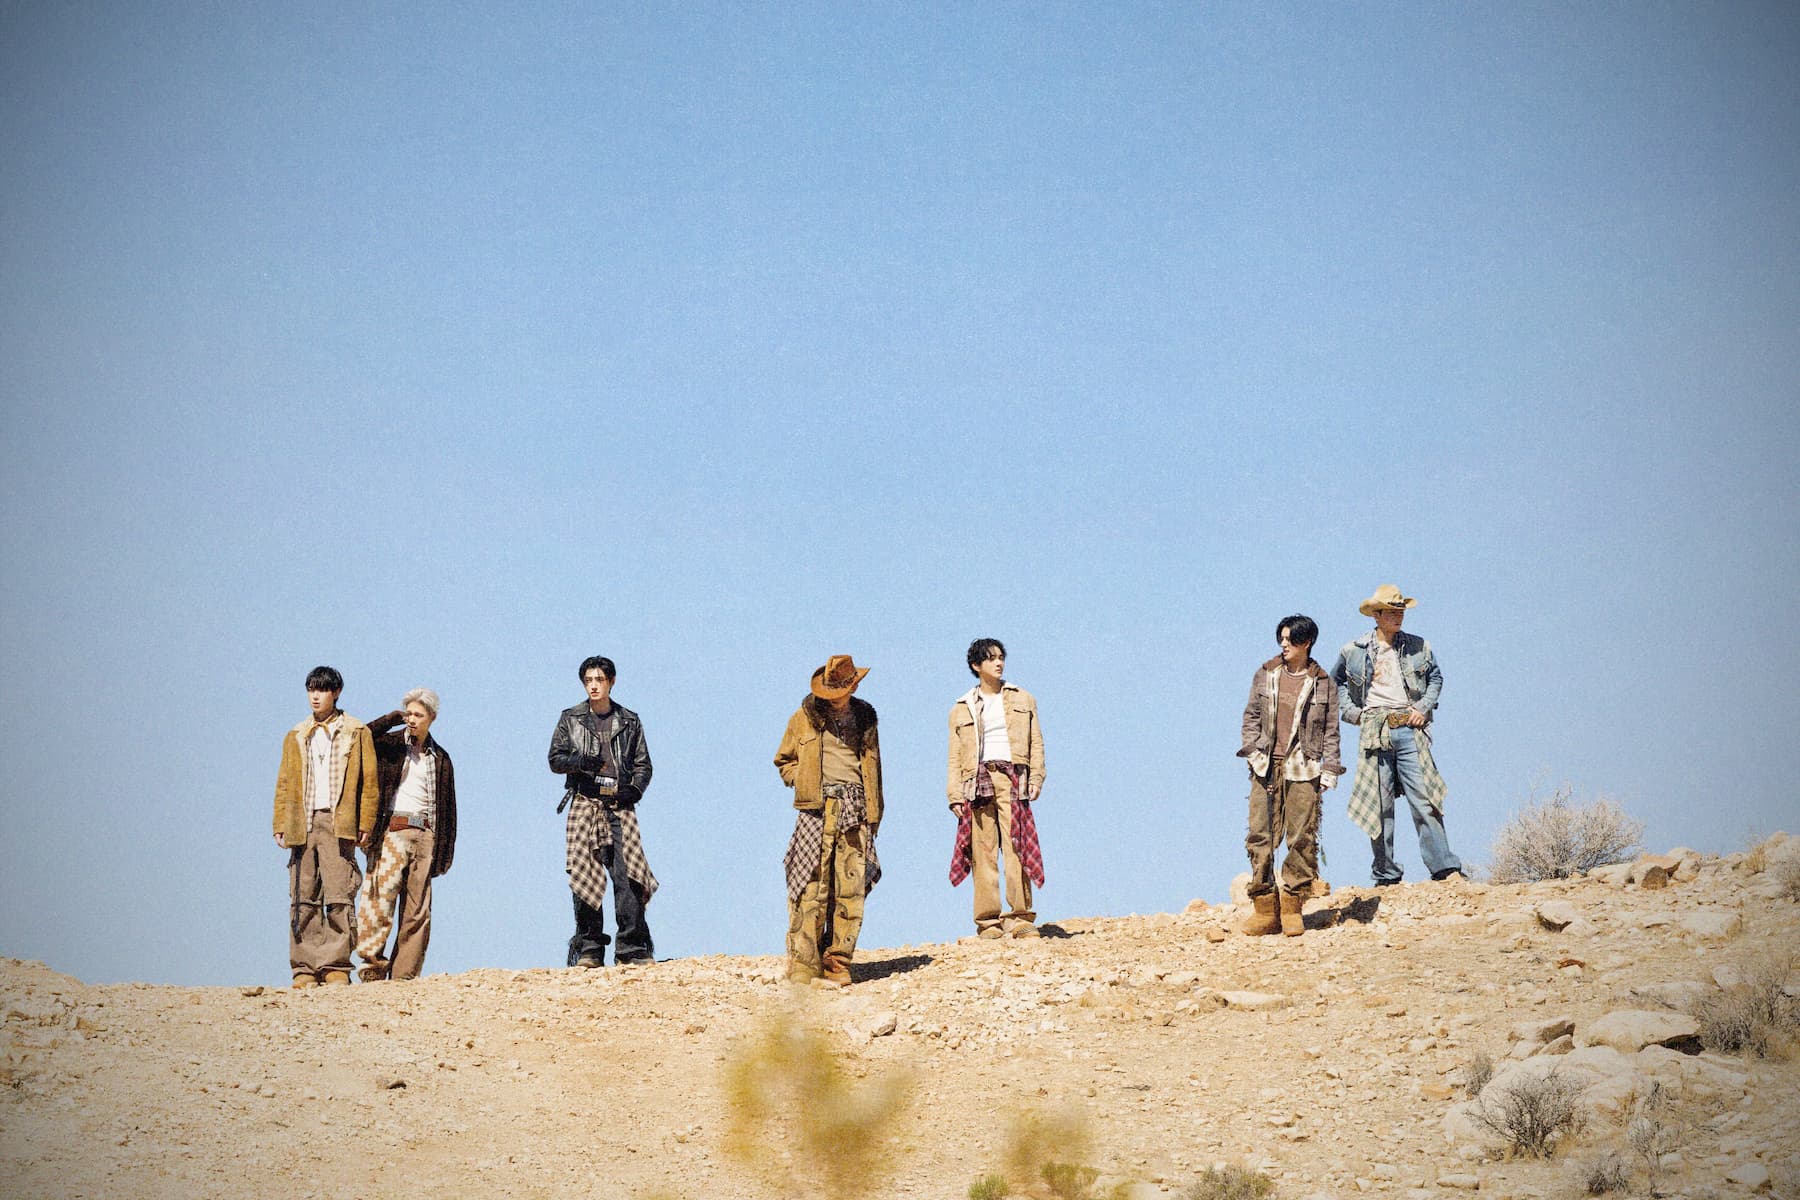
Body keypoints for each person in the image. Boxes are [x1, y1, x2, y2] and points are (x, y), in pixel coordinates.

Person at [1331, 585, 1464, 886]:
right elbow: (1335, 682)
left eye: (1400, 610)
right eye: (1391, 611)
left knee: (1425, 798)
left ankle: (1444, 868)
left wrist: (1423, 706)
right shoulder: (1353, 650)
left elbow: (1436, 677)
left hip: (1409, 726)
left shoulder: (1418, 646)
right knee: (1379, 807)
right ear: (1376, 615)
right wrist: (1354, 713)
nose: (1398, 616)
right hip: (1375, 729)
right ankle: (1386, 874)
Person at [773, 654, 883, 986]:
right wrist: (802, 780)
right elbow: (783, 760)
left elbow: (875, 769)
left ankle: (838, 962)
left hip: (855, 808)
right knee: (809, 886)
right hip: (815, 809)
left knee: (849, 888)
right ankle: (804, 964)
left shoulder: (865, 719)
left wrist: (873, 811)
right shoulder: (802, 718)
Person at [271, 666, 378, 987]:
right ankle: (304, 967)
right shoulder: (296, 735)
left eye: (322, 690)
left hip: (338, 822)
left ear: (336, 693)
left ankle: (335, 966)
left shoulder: (356, 732)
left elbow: (369, 784)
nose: (315, 696)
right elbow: (284, 782)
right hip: (301, 823)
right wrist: (280, 822)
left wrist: (365, 822)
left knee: (339, 894)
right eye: (311, 690)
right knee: (302, 895)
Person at [549, 656, 658, 967]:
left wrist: (634, 789)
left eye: (599, 679)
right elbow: (555, 759)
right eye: (588, 680)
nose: (593, 685)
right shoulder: (570, 718)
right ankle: (589, 949)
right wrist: (579, 761)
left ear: (611, 681)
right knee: (584, 874)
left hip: (620, 805)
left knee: (630, 875)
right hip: (584, 802)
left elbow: (643, 764)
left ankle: (632, 948)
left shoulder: (630, 720)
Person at [1237, 616, 1341, 936]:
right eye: (1281, 638)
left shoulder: (1323, 683)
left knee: (1302, 837)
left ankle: (1293, 905)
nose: (1283, 644)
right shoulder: (1266, 674)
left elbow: (1331, 731)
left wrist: (1330, 769)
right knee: (1260, 834)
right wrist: (1252, 751)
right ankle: (1265, 908)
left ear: (1306, 642)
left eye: (1290, 639)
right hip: (1266, 764)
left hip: (1304, 766)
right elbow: (1251, 715)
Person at [354, 688, 458, 982]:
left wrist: (444, 853)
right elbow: (359, 738)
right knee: (380, 900)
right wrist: (390, 719)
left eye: (418, 715)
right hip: (392, 830)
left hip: (426, 833)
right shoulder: (389, 745)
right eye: (409, 713)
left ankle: (404, 976)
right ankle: (373, 967)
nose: (412, 719)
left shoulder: (441, 758)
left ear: (431, 718)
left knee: (418, 909)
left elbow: (449, 808)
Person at [946, 638, 1046, 939]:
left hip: (1013, 776)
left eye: (1001, 657)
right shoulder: (961, 708)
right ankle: (988, 922)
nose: (998, 663)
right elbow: (954, 755)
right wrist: (954, 794)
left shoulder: (1023, 699)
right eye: (990, 659)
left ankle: (1020, 917)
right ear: (977, 666)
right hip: (977, 781)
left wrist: (1036, 778)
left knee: (1017, 845)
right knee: (983, 851)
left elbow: (1036, 741)